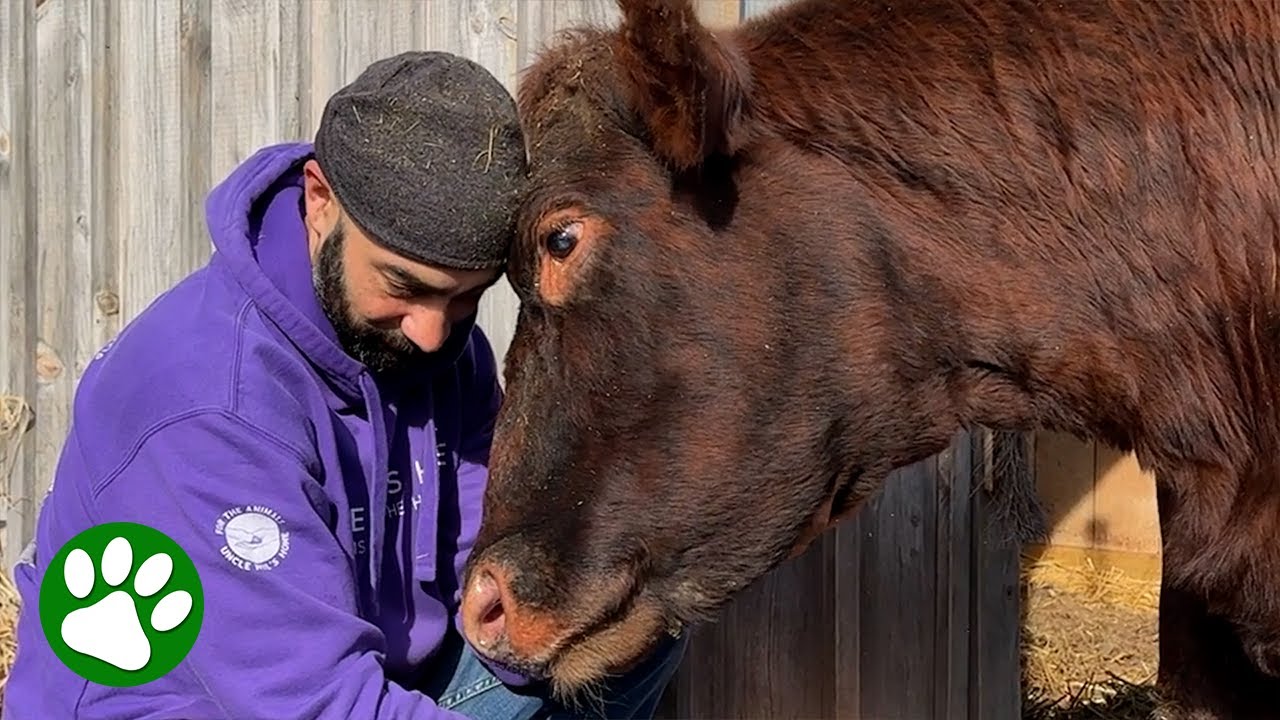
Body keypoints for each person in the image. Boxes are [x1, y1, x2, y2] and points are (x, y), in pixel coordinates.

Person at [3, 50, 686, 720]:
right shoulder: (210, 404)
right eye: (404, 285)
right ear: (320, 201)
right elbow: (312, 703)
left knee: (630, 617)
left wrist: (553, 617)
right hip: (226, 702)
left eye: (465, 299)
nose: (430, 330)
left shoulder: (438, 347)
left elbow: (486, 555)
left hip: (366, 679)